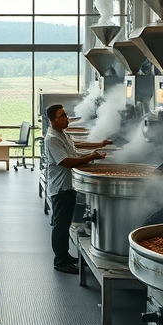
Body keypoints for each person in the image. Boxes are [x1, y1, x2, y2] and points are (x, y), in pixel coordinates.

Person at [44, 104, 106, 274]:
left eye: (66, 115)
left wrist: (95, 149)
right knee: (60, 225)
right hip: (61, 187)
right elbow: (66, 162)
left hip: (68, 185)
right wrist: (91, 157)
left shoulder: (62, 134)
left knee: (64, 224)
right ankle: (60, 261)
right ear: (52, 120)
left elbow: (74, 152)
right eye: (62, 116)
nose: (66, 118)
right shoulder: (52, 138)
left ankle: (65, 256)